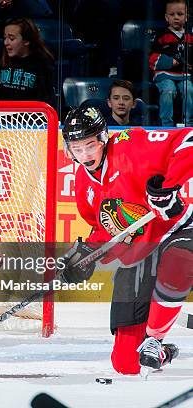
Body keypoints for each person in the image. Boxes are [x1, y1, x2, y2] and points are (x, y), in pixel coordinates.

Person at [61, 106, 192, 375]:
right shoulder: (82, 183)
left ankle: (155, 339)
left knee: (177, 265)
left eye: (90, 145)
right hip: (140, 251)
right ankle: (164, 348)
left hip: (178, 229)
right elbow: (107, 231)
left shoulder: (131, 146)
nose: (85, 155)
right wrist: (88, 255)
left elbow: (188, 139)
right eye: (77, 148)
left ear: (104, 137)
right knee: (126, 364)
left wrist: (168, 188)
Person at [0, 18, 55, 107]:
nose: (6, 42)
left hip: (30, 116)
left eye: (11, 38)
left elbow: (44, 99)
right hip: (3, 115)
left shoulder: (42, 62)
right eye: (5, 38)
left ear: (26, 41)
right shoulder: (1, 58)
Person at [149, 0, 193, 126]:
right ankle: (166, 124)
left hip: (184, 75)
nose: (176, 17)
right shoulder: (160, 36)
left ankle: (189, 123)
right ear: (166, 17)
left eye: (180, 14)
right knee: (168, 90)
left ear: (186, 17)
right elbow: (151, 57)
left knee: (188, 89)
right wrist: (169, 62)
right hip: (164, 74)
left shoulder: (190, 36)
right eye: (172, 14)